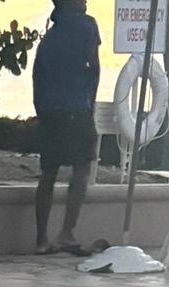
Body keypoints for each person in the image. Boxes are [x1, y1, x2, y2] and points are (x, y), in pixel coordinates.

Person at [31, 0, 102, 257]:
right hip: (76, 109)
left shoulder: (49, 37)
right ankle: (67, 232)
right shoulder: (86, 25)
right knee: (82, 169)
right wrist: (90, 104)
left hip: (50, 110)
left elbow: (37, 77)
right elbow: (93, 68)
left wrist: (41, 110)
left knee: (48, 173)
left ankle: (41, 239)